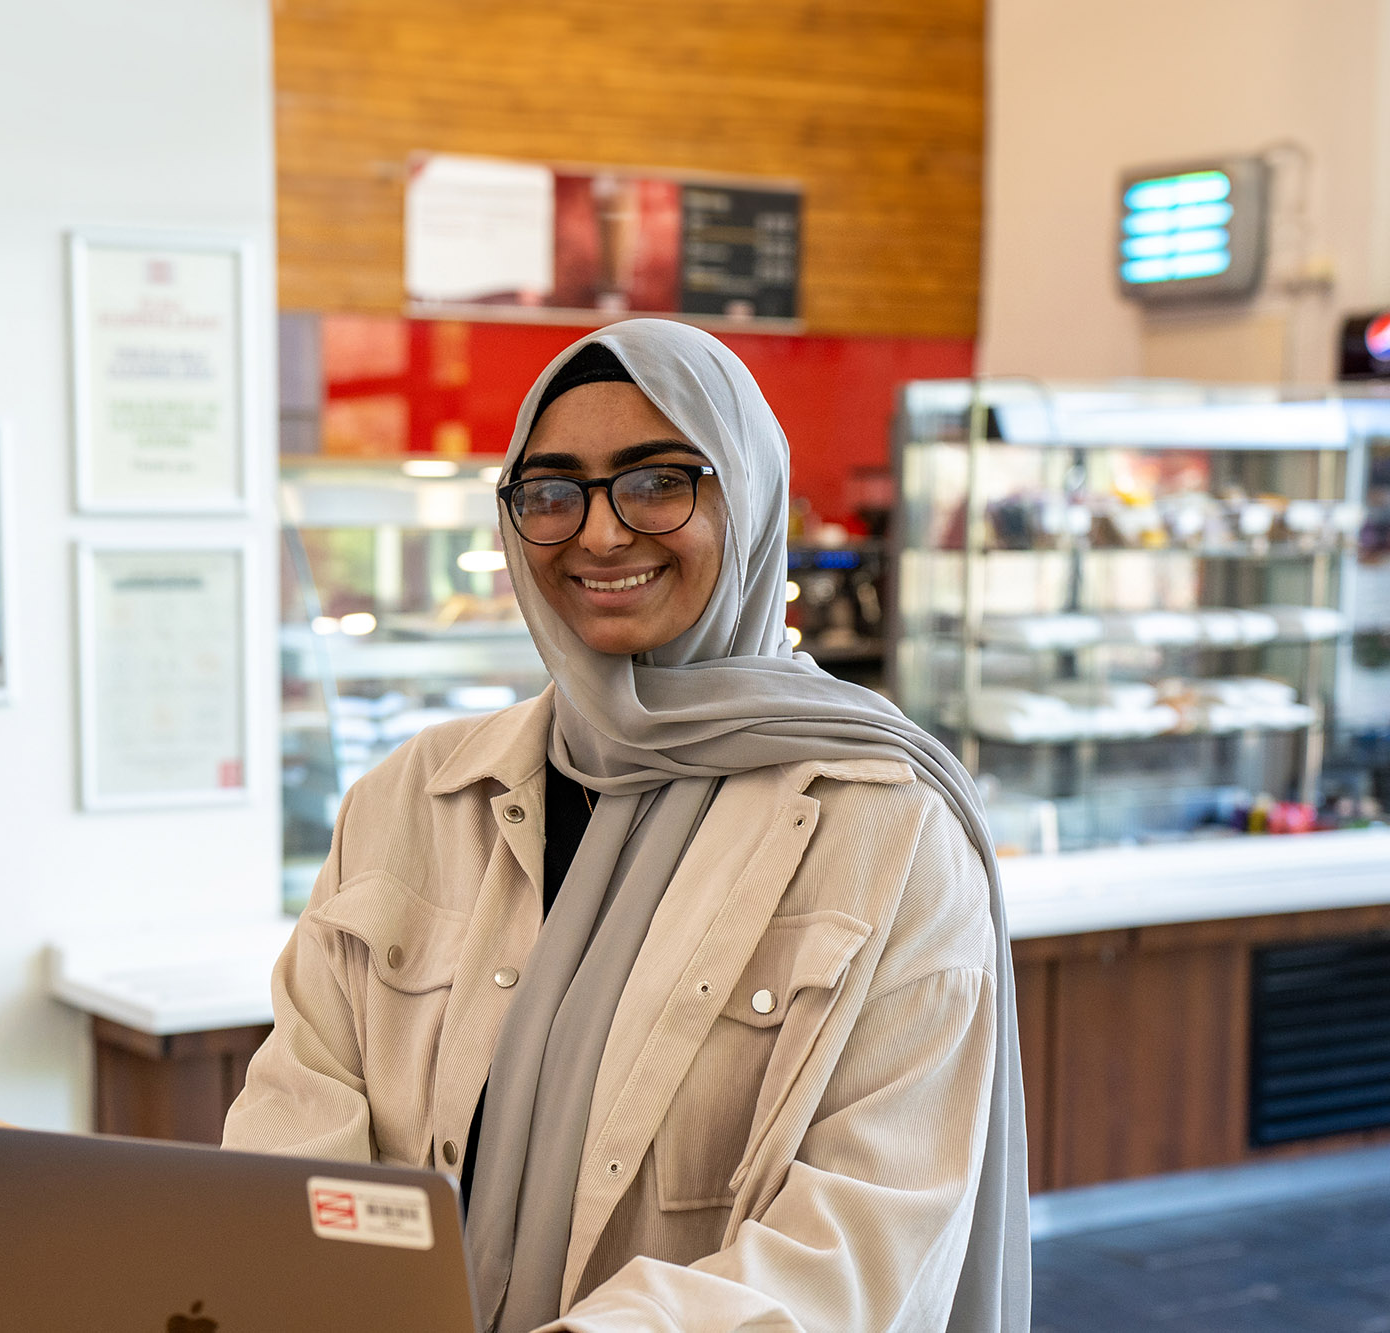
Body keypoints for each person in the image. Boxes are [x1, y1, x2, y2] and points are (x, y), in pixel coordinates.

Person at [224, 318, 1030, 1332]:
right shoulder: (407, 801)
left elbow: (863, 1241)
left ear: (743, 497)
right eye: (551, 491)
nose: (599, 532)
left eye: (656, 480)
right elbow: (297, 1117)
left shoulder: (888, 830)